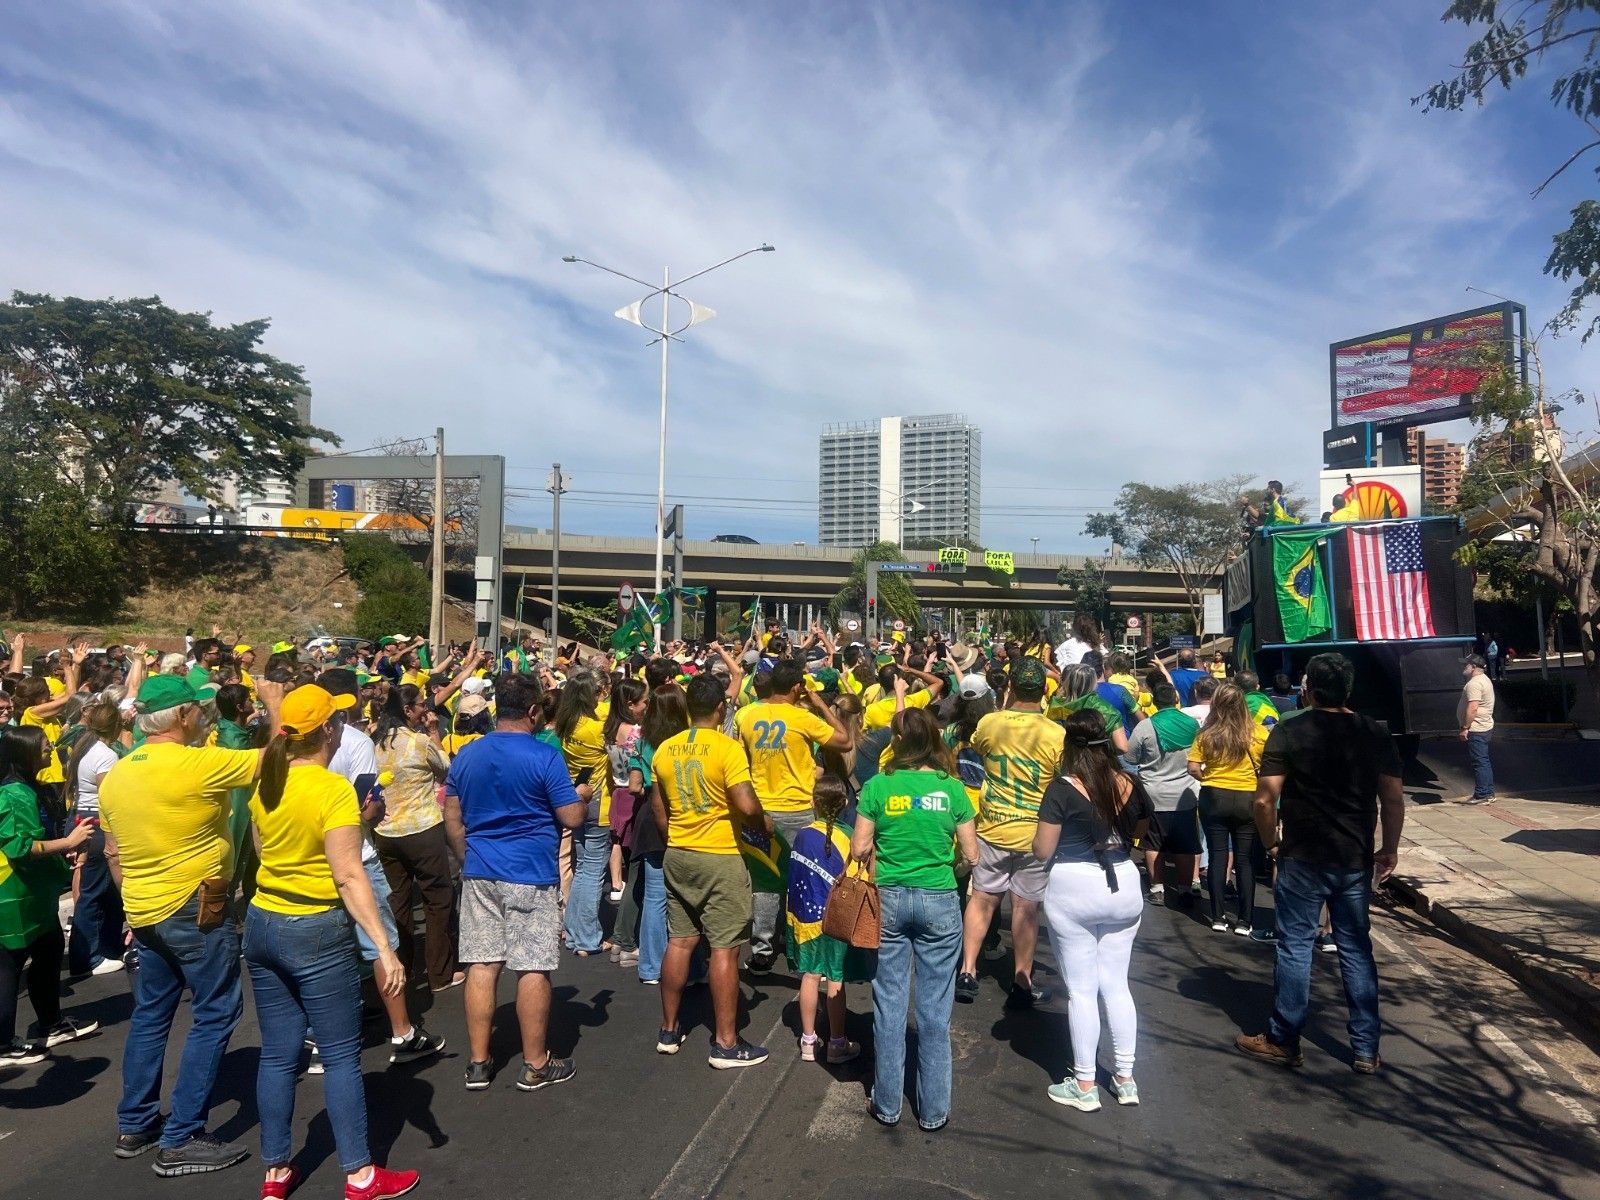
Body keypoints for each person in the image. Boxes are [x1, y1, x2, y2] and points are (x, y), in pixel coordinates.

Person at [245, 685, 420, 1200]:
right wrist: (384, 948)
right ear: (328, 730)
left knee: (278, 1055)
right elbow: (348, 875)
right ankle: (361, 1174)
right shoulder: (331, 790)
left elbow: (261, 852)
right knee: (342, 1055)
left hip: (263, 919)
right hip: (314, 926)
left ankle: (275, 1171)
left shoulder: (267, 784)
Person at [99, 673, 278, 1175]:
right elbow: (277, 759)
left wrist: (133, 906)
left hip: (145, 907)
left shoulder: (117, 773)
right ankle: (181, 1138)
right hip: (194, 906)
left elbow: (112, 851)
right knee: (216, 1011)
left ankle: (135, 1124)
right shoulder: (197, 762)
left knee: (152, 1014)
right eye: (198, 710)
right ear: (180, 716)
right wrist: (275, 705)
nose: (204, 715)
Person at [1236, 653, 1404, 1074]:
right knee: (1355, 949)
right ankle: (1366, 1049)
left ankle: (1284, 1038)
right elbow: (1393, 798)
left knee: (1295, 947)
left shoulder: (1289, 731)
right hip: (1353, 860)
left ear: (1307, 688)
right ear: (1348, 690)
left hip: (1302, 858)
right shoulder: (1374, 733)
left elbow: (1263, 799)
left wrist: (1271, 843)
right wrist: (1390, 848)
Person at [444, 673, 585, 1093]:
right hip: (529, 873)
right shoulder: (543, 756)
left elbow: (452, 816)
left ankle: (478, 1061)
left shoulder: (467, 755)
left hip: (481, 870)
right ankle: (536, 1064)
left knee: (482, 963)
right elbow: (572, 817)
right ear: (533, 711)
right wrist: (583, 796)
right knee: (533, 965)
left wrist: (465, 855)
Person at [852, 709, 978, 1130]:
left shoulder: (878, 786)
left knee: (888, 1002)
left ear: (897, 742)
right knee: (934, 1009)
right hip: (939, 898)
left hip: (887, 898)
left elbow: (858, 849)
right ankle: (934, 1110)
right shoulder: (953, 789)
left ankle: (887, 1103)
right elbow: (973, 855)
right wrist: (949, 867)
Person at [319, 669, 444, 1072]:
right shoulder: (355, 741)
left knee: (330, 947)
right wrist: (374, 812)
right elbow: (364, 807)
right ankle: (403, 1031)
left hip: (307, 858)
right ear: (348, 698)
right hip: (358, 853)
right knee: (380, 941)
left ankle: (323, 1039)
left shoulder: (284, 744)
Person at [650, 674, 772, 1068]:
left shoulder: (665, 749)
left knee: (680, 940)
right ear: (721, 707)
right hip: (719, 854)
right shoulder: (728, 748)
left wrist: (676, 839)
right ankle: (726, 1043)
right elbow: (747, 805)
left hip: (679, 852)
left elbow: (660, 807)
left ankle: (669, 1029)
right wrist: (764, 825)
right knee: (725, 947)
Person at [1034, 709, 1151, 1111]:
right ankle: (1125, 1077)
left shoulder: (1063, 788)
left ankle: (1085, 1084)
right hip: (1122, 883)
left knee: (1081, 990)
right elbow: (1141, 832)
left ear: (1069, 746)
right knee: (1117, 985)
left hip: (1074, 885)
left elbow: (1042, 849)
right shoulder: (1129, 782)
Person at [958, 657, 1064, 1008]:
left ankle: (968, 970)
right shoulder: (1055, 733)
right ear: (1043, 691)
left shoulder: (990, 723)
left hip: (992, 826)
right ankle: (1022, 978)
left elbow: (978, 748)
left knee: (982, 899)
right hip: (1036, 833)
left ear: (1011, 688)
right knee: (1026, 908)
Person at [736, 662, 851, 973]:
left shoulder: (746, 716)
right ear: (798, 687)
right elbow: (845, 741)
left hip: (760, 808)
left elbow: (739, 758)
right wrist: (821, 706)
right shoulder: (803, 718)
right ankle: (795, 943)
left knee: (765, 880)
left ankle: (762, 948)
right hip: (800, 809)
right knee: (799, 878)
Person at [0, 725, 97, 1065]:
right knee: (9, 963)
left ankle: (50, 1023)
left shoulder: (27, 789)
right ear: (24, 753)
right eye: (44, 746)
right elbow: (20, 847)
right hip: (13, 892)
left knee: (49, 948)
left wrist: (63, 850)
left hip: (33, 893)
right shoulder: (14, 795)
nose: (51, 749)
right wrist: (68, 844)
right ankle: (3, 1044)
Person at [371, 684, 460, 992]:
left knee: (398, 902)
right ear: (407, 710)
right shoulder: (419, 742)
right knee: (438, 900)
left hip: (385, 832)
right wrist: (435, 732)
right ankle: (439, 974)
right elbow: (446, 769)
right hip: (422, 830)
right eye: (421, 705)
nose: (426, 709)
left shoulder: (376, 741)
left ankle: (402, 968)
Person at [787, 774, 867, 1064]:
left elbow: (794, 881)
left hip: (807, 920)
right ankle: (836, 1042)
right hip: (837, 920)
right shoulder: (849, 837)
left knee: (809, 976)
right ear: (845, 803)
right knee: (835, 978)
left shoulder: (803, 835)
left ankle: (808, 1040)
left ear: (813, 803)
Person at [1188, 684, 1270, 936]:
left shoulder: (1207, 734)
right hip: (1247, 797)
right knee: (1245, 861)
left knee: (1217, 855)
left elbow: (1193, 767)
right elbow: (1268, 767)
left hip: (1214, 796)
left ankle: (1217, 916)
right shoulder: (1258, 733)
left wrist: (1209, 779)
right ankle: (1245, 920)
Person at [62, 700, 128, 976]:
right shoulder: (106, 755)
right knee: (92, 891)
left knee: (106, 892)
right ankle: (86, 957)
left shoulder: (84, 745)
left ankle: (107, 947)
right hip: (96, 824)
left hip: (81, 816)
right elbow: (109, 795)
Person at [554, 671, 614, 956]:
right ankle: (589, 937)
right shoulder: (595, 728)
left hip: (573, 796)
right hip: (598, 800)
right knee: (593, 871)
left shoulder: (566, 725)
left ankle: (575, 931)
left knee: (581, 869)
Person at [1126, 684, 1199, 905]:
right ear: (1176, 700)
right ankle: (1185, 889)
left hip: (1153, 796)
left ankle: (1157, 889)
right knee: (1185, 846)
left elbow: (1130, 757)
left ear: (1155, 702)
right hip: (1185, 796)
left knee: (1153, 844)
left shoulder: (1145, 726)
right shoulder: (1192, 724)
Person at [1458, 654, 1496, 804]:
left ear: (1474, 667)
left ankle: (1482, 795)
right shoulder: (1485, 680)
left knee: (1479, 762)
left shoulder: (1474, 684)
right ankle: (1488, 793)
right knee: (1484, 761)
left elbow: (1473, 708)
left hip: (1476, 727)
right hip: (1485, 725)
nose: (1463, 667)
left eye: (1466, 665)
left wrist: (1464, 728)